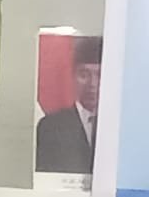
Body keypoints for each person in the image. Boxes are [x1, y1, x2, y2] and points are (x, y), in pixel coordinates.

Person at [35, 35, 101, 176]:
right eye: (84, 75)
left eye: (99, 75)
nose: (93, 84)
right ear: (73, 76)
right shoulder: (50, 127)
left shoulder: (121, 126)